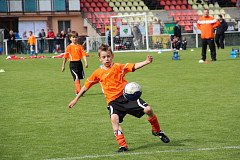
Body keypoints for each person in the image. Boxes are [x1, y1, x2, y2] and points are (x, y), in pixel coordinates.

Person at [67, 44, 170, 152]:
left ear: (112, 56)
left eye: (108, 56)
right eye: (103, 57)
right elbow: (85, 87)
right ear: (100, 59)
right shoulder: (97, 73)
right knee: (114, 119)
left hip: (127, 97)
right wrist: (76, 99)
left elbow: (133, 66)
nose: (106, 59)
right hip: (113, 102)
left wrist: (146, 62)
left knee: (148, 109)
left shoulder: (118, 67)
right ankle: (123, 146)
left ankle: (157, 131)